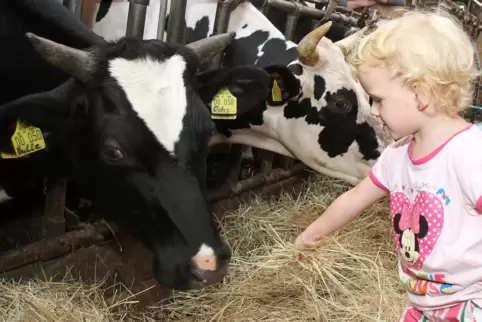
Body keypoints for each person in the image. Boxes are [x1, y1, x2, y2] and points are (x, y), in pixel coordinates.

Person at [293, 9, 482, 321]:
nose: (373, 111)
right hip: (421, 303)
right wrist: (310, 236)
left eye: (378, 99)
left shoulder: (468, 154)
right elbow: (353, 199)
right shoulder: (397, 155)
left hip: (470, 306)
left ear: (420, 93)